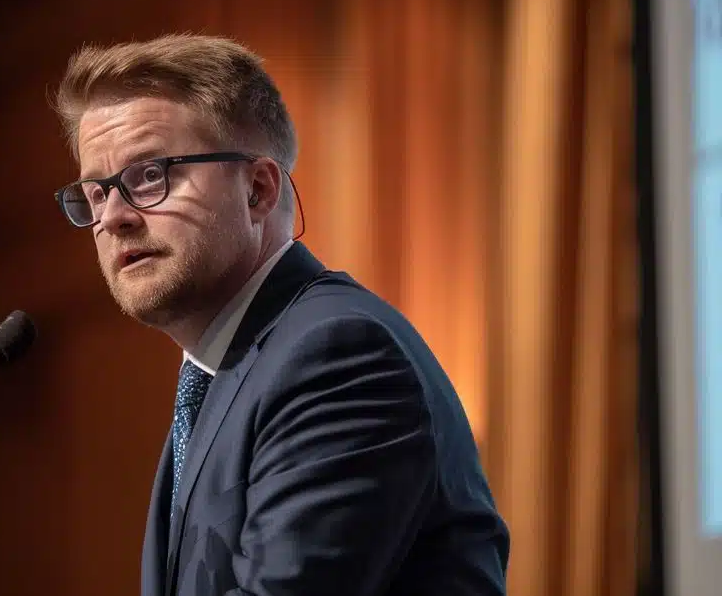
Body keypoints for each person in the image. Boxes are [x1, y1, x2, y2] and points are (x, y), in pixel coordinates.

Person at [51, 34, 509, 596]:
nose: (113, 217)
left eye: (149, 175)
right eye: (96, 193)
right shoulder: (225, 372)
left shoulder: (337, 356)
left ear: (258, 189)